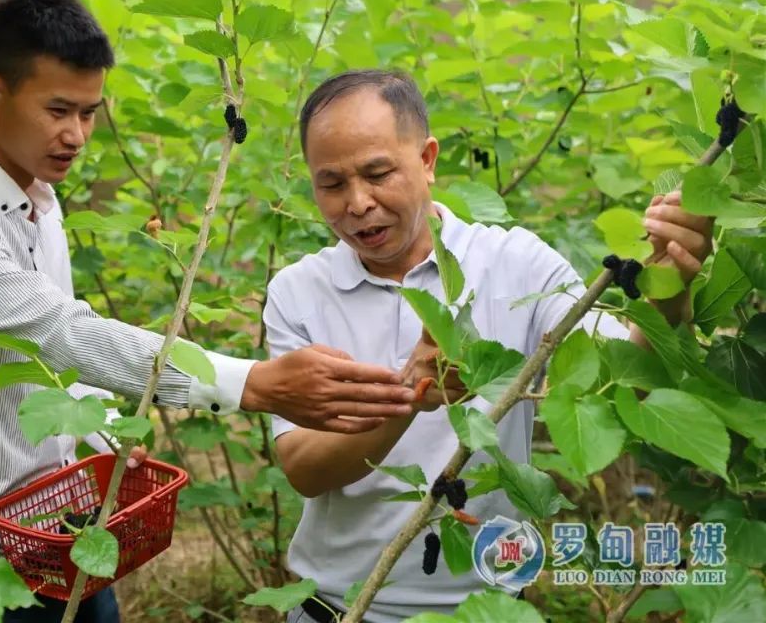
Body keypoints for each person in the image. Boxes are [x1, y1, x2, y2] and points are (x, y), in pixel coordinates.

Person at [0, 0, 412, 623]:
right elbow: (62, 333)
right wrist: (254, 384)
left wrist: (99, 431)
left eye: (88, 113)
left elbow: (48, 368)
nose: (76, 135)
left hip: (69, 536)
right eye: (58, 110)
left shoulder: (39, 202)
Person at [265, 70, 713, 622]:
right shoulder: (298, 292)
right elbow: (305, 468)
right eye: (331, 184)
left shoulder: (515, 264)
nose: (357, 203)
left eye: (378, 173)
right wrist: (411, 396)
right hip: (335, 609)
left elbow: (620, 370)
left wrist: (670, 293)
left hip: (488, 609)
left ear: (427, 159)